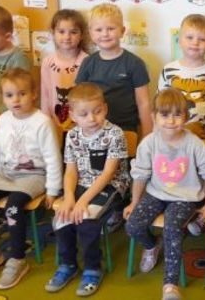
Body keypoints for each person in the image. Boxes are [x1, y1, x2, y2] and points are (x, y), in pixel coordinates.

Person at [0, 68, 62, 289]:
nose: (16, 100)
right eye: (9, 95)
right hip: (4, 174)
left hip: (34, 175)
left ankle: (18, 259)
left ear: (34, 94)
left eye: (22, 94)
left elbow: (53, 158)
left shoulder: (42, 122)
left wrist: (52, 190)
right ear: (3, 98)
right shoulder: (3, 119)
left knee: (13, 208)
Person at [124, 88, 205, 300]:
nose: (171, 121)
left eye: (177, 114)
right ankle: (152, 245)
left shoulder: (194, 143)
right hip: (156, 193)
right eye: (165, 115)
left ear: (186, 116)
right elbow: (140, 175)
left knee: (172, 227)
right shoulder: (149, 143)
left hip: (185, 197)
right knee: (132, 225)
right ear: (154, 116)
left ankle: (170, 285)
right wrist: (134, 203)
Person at [46, 83, 129, 296]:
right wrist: (69, 198)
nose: (92, 118)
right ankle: (68, 264)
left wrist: (82, 201)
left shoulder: (115, 134)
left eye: (97, 111)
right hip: (81, 184)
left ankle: (93, 268)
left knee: (86, 218)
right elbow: (71, 172)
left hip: (110, 185)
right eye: (84, 114)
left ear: (105, 108)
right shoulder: (72, 135)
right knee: (62, 217)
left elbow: (108, 174)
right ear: (72, 115)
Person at [75, 4, 152, 135]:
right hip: (93, 129)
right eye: (99, 30)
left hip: (125, 129)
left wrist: (147, 137)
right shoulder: (88, 63)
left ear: (122, 31)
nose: (105, 34)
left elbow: (143, 103)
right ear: (91, 33)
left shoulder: (135, 63)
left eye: (111, 28)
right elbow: (79, 100)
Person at [158, 14, 205, 146]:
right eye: (189, 37)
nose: (195, 43)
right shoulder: (168, 70)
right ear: (179, 40)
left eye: (202, 39)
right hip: (174, 137)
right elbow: (160, 105)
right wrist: (159, 132)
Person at [41, 9, 90, 133]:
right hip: (53, 123)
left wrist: (81, 120)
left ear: (82, 35)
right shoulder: (47, 62)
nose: (67, 37)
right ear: (53, 33)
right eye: (61, 31)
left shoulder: (86, 61)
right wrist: (47, 120)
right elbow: (45, 95)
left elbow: (89, 95)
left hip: (80, 124)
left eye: (73, 32)